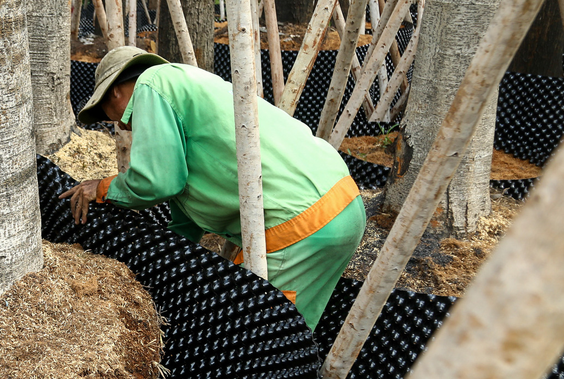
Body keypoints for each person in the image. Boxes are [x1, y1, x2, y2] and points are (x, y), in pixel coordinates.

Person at [60, 46, 365, 329]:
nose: (120, 126)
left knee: (258, 340)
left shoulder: (151, 86)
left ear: (114, 91)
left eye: (107, 114)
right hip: (342, 203)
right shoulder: (190, 86)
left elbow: (158, 182)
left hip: (299, 227)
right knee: (292, 333)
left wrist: (101, 188)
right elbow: (183, 213)